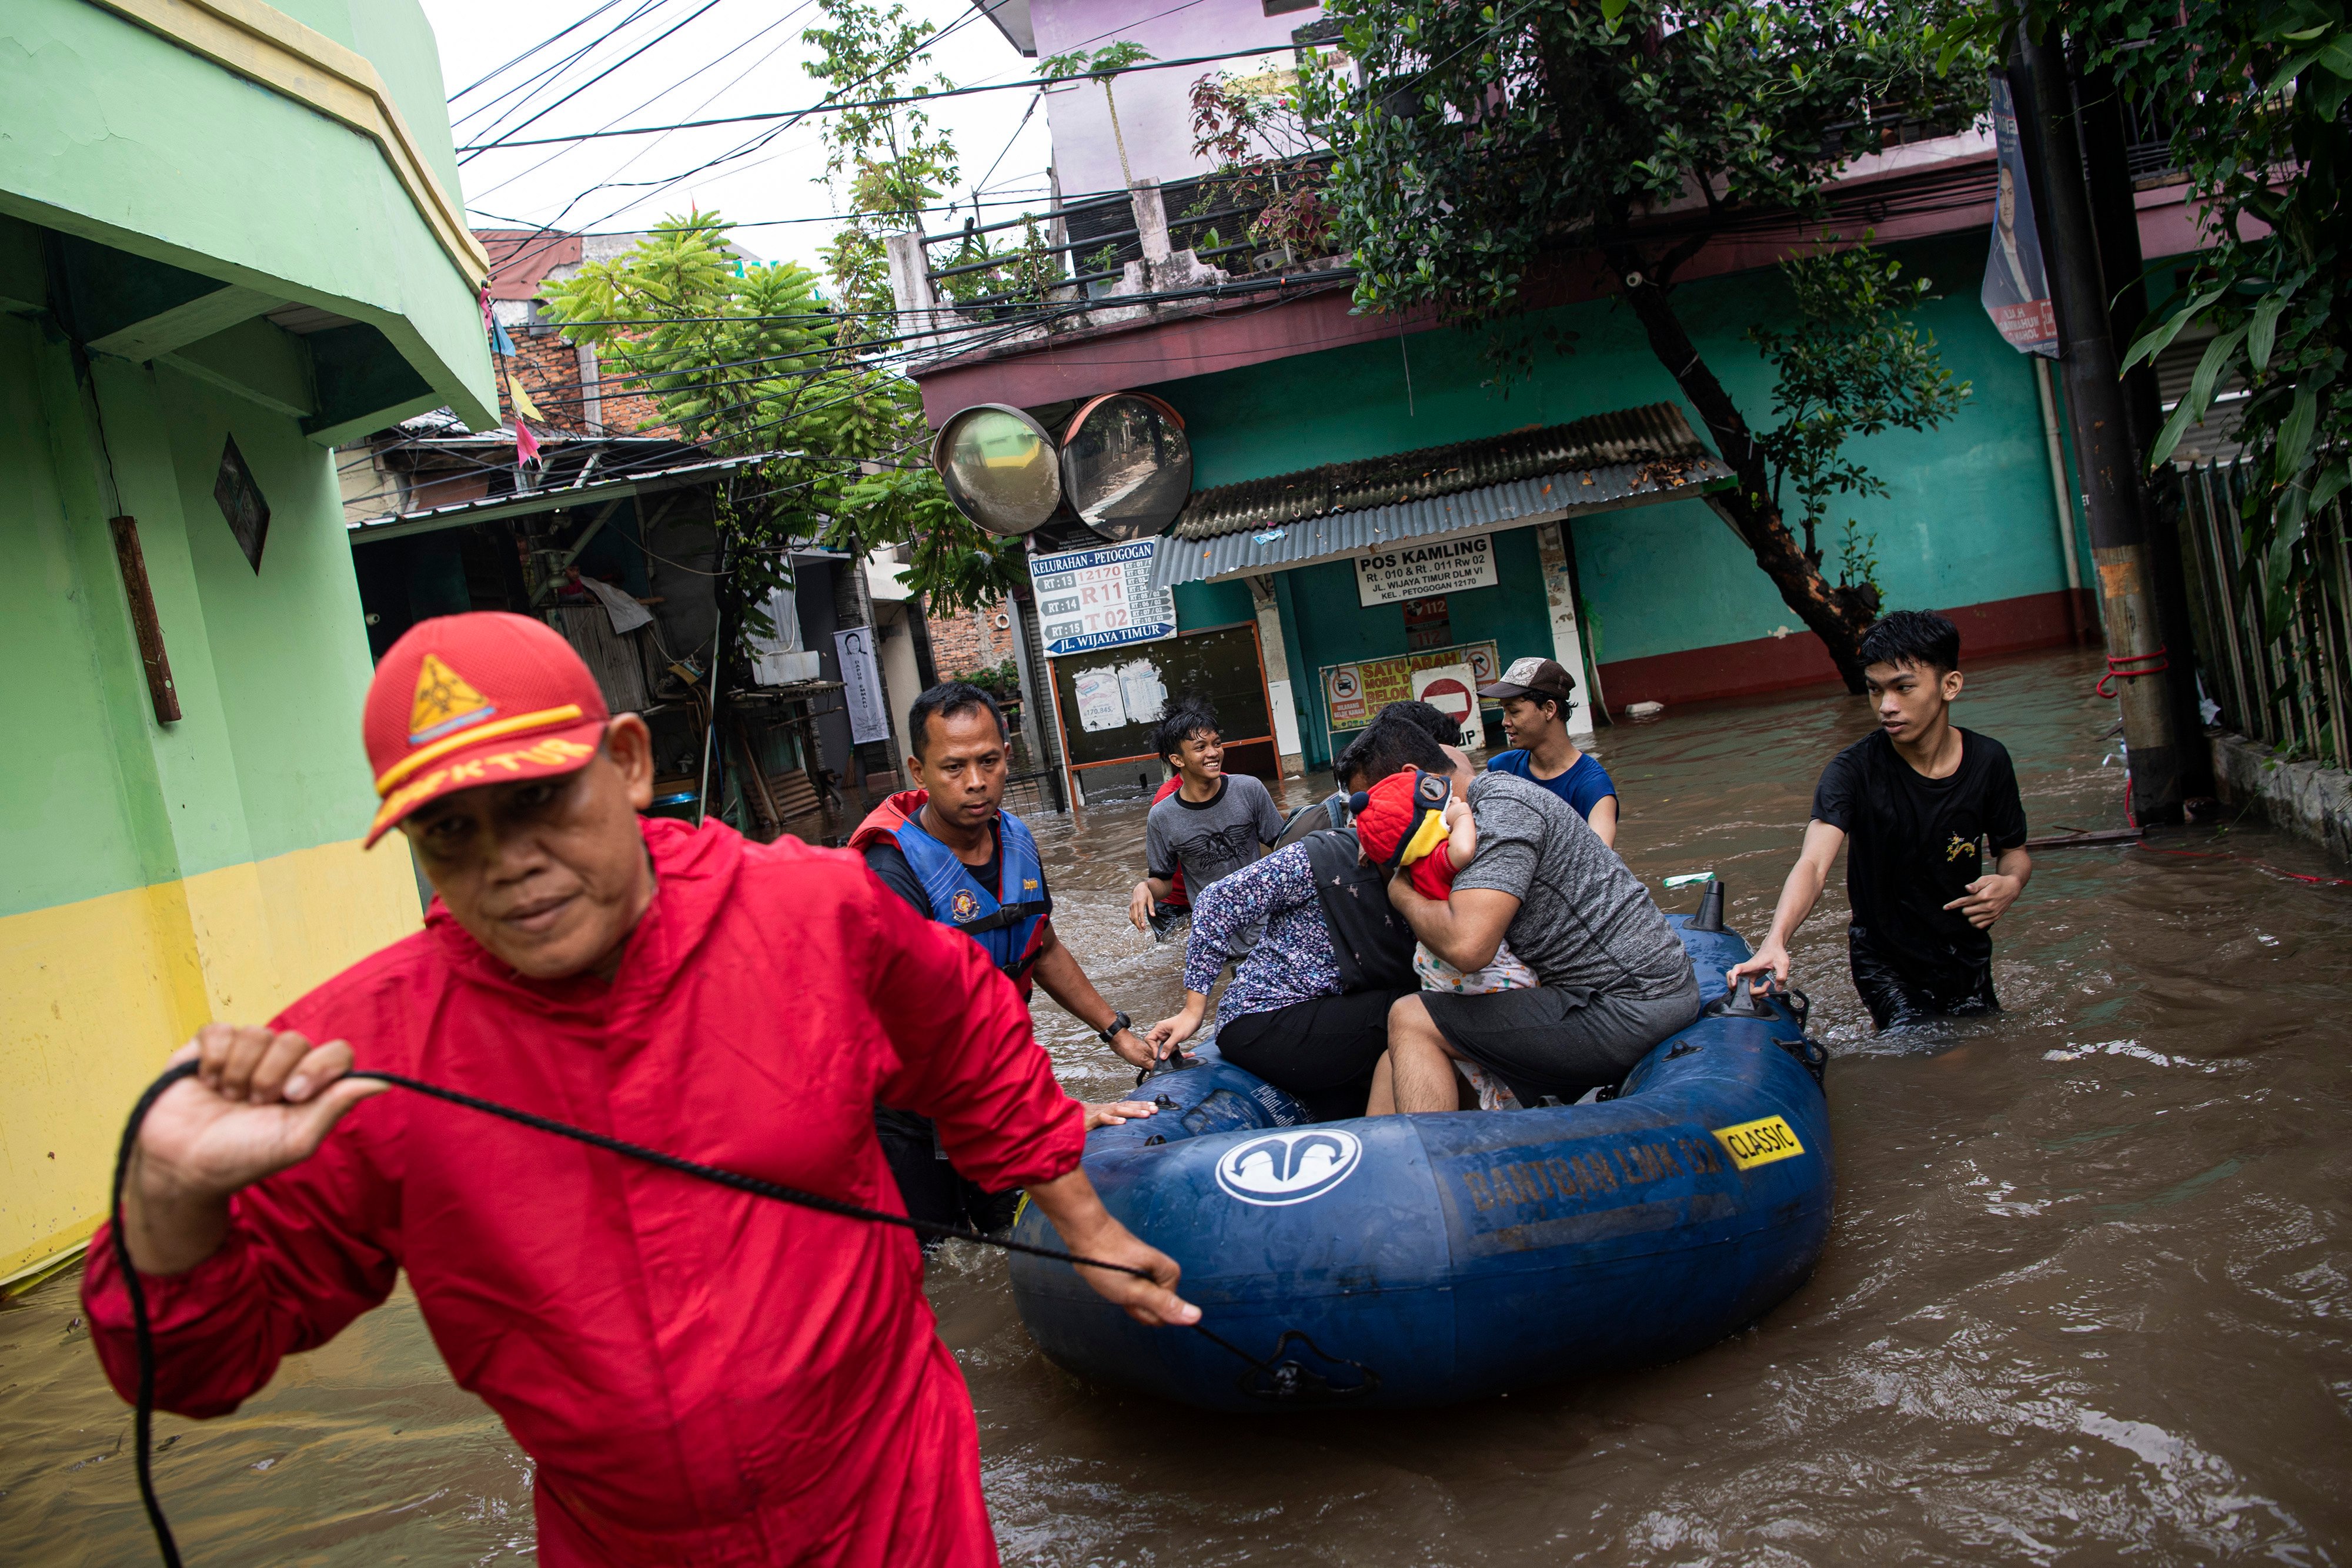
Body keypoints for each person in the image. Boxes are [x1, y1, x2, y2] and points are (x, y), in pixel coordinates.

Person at [83, 614, 1195, 1568]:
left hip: (888, 1502)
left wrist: (1083, 1222)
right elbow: (195, 1370)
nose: (508, 860)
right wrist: (169, 1202)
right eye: (451, 831)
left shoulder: (809, 915)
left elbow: (966, 1030)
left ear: (622, 763)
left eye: (539, 803)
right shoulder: (358, 1055)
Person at [852, 681, 1158, 1235]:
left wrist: (1116, 1030)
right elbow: (923, 1030)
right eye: (954, 767)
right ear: (918, 773)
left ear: (1007, 758)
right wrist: (1045, 1114)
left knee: (1010, 1228)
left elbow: (1039, 945)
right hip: (912, 1110)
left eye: (989, 761)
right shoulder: (890, 872)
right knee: (940, 1254)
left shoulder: (1014, 839)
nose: (976, 782)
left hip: (991, 1084)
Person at [1357, 716, 1698, 1115]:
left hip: (1632, 1003)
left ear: (1415, 779)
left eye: (1374, 807)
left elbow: (1469, 948)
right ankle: (1373, 1172)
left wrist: (1400, 892)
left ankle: (1432, 1169)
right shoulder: (1471, 811)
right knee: (1392, 1059)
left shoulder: (1500, 811)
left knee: (1411, 1017)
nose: (1368, 828)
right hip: (1595, 995)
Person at [1728, 610, 2032, 1031]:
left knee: (1988, 1046)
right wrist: (1774, 940)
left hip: (1965, 953)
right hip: (1885, 960)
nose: (1886, 706)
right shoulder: (1852, 772)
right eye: (1875, 690)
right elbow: (1813, 865)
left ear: (1950, 685)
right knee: (1929, 1053)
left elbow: (2014, 854)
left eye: (1903, 688)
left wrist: (2010, 884)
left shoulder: (1990, 762)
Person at [1141, 717, 1457, 1120]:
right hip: (1264, 1016)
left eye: (1217, 743)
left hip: (1312, 992)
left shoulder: (1440, 858)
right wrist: (1192, 1009)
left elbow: (1276, 837)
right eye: (1360, 809)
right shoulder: (1324, 855)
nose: (1365, 821)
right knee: (1414, 1013)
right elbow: (1215, 901)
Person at [1346, 767, 1539, 1109]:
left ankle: (1490, 1092)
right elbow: (1463, 851)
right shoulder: (1437, 859)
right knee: (1528, 986)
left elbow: (1393, 843)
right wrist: (1462, 815)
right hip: (1475, 969)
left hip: (1434, 968)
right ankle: (1512, 1088)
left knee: (1455, 1044)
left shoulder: (1410, 867)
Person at [1127, 703, 1285, 938]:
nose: (1213, 753)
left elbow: (1283, 846)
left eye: (1217, 744)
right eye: (1200, 747)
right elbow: (1164, 881)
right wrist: (1144, 887)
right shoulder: (1162, 815)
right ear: (1177, 760)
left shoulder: (1249, 789)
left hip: (1262, 922)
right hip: (1212, 930)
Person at [1478, 657, 1619, 846]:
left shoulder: (1593, 787)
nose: (1505, 722)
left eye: (1514, 711)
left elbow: (1600, 862)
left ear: (1549, 709)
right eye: (1504, 711)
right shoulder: (1501, 768)